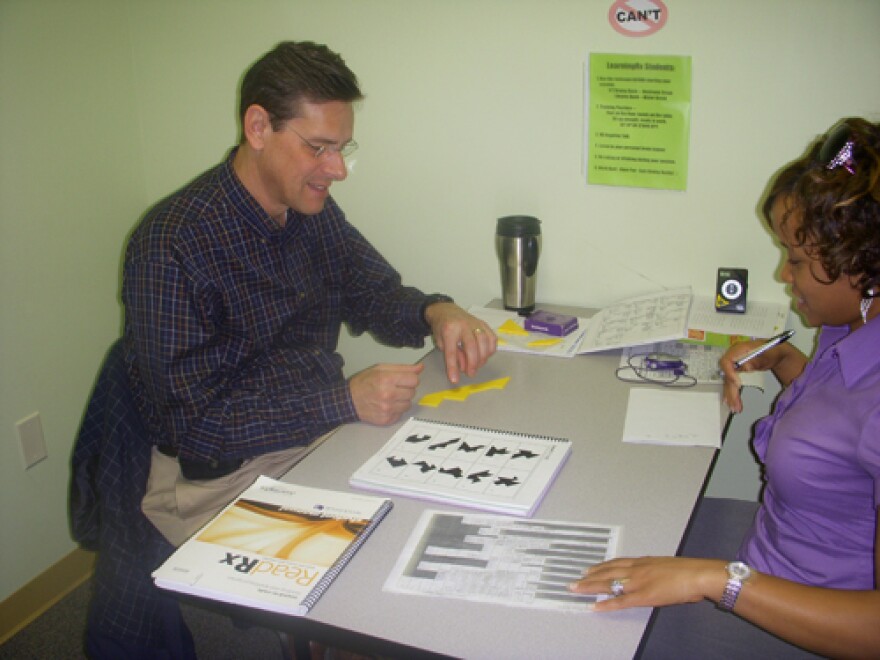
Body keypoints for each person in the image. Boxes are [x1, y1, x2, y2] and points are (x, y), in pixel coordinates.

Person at [82, 40, 497, 658]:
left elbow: (372, 292)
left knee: (432, 518)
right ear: (258, 127)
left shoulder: (310, 211)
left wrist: (435, 311)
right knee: (377, 587)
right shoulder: (172, 243)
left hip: (305, 434)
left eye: (342, 147)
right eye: (319, 147)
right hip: (214, 478)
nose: (338, 169)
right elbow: (194, 428)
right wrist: (339, 399)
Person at [570, 117, 880, 658]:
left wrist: (715, 580)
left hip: (808, 615)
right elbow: (844, 431)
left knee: (583, 631)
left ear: (866, 268)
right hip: (770, 551)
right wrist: (783, 358)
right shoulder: (853, 327)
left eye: (799, 261)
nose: (785, 276)